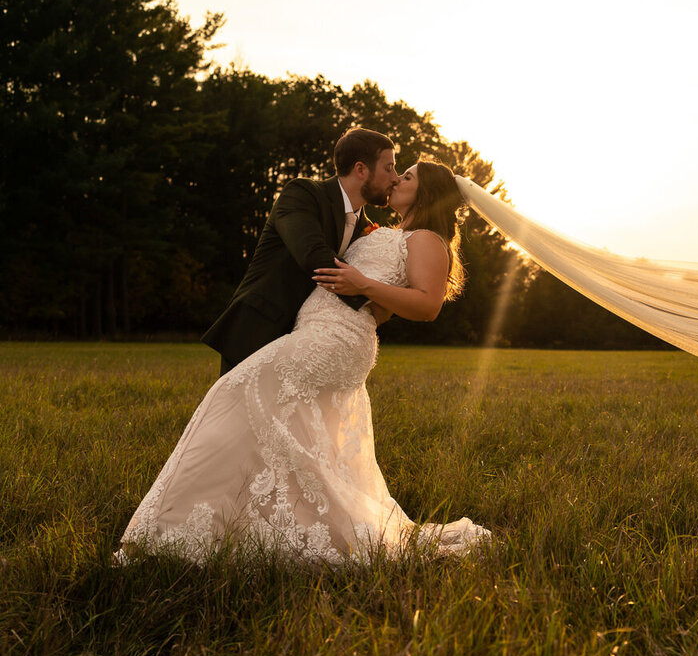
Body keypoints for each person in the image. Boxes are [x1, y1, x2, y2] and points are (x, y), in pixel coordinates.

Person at [117, 159, 488, 562]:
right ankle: (242, 525)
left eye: (408, 176)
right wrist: (371, 294)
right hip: (312, 331)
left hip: (335, 340)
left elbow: (427, 305)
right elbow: (382, 300)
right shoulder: (385, 233)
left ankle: (179, 531)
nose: (398, 179)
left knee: (234, 392)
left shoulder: (427, 240)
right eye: (397, 171)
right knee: (288, 434)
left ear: (427, 192)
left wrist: (363, 285)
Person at [202, 128, 400, 375]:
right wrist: (372, 300)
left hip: (307, 337)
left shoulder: (365, 226)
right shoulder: (302, 193)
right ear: (361, 170)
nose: (395, 178)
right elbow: (313, 256)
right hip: (260, 327)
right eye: (389, 167)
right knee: (233, 412)